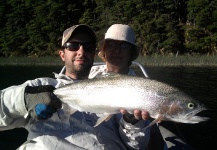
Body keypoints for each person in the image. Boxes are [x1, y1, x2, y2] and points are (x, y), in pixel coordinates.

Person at [0, 24, 151, 150]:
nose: (81, 51)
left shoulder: (113, 94)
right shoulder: (40, 86)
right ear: (62, 54)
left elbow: (135, 146)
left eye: (88, 47)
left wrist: (132, 123)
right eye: (73, 46)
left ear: (94, 54)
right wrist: (23, 100)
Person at [89, 24, 166, 150]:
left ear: (131, 53)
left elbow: (137, 146)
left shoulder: (145, 91)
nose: (117, 50)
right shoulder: (86, 75)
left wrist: (134, 122)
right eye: (111, 44)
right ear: (104, 49)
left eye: (124, 46)